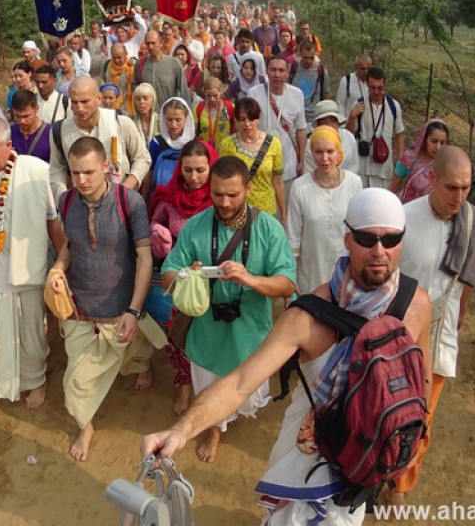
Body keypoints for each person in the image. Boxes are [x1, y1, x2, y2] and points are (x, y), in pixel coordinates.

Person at [144, 188, 431, 525]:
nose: (379, 251)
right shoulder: (307, 318)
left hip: (368, 455)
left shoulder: (417, 305)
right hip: (309, 458)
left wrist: (405, 436)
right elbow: (239, 383)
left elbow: (420, 379)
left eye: (391, 239)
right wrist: (180, 431)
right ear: (347, 240)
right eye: (367, 239)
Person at [159, 156, 297, 462]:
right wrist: (187, 276)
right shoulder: (196, 226)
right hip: (207, 334)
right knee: (208, 388)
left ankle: (224, 419)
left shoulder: (269, 229)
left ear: (248, 188)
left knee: (247, 395)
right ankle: (213, 431)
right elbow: (168, 273)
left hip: (250, 334)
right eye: (217, 194)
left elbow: (287, 284)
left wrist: (250, 279)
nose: (224, 202)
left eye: (232, 195)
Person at [391, 146, 475, 507]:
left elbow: (467, 282)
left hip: (439, 336)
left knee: (421, 418)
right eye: (452, 187)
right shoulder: (403, 218)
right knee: (385, 407)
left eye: (466, 188)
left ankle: (400, 486)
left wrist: (459, 317)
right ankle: (372, 470)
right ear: (432, 179)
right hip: (397, 334)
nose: (460, 197)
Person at [49, 136, 154, 461]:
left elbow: (145, 258)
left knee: (134, 350)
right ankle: (86, 425)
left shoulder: (130, 202)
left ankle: (143, 365)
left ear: (106, 167)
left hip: (121, 307)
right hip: (79, 306)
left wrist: (133, 310)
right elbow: (70, 244)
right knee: (76, 382)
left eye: (89, 172)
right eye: (75, 173)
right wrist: (58, 269)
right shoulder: (66, 201)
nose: (82, 180)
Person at [0, 118, 63, 407]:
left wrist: (62, 263)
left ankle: (37, 380)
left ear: (8, 145)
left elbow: (52, 220)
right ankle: (6, 375)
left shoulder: (35, 170)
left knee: (31, 330)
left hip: (28, 265)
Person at [149, 140, 218, 414]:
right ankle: (184, 385)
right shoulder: (170, 196)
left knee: (210, 335)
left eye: (201, 170)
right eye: (188, 170)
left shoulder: (220, 197)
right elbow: (156, 221)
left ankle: (211, 390)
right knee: (178, 334)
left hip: (213, 278)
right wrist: (159, 234)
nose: (194, 177)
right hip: (179, 278)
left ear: (212, 168)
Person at [287, 127, 364, 295]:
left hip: (346, 274)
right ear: (311, 153)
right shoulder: (299, 188)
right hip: (310, 274)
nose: (324, 158)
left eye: (330, 151)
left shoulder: (354, 183)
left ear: (339, 152)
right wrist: (290, 279)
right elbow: (293, 237)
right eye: (318, 152)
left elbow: (358, 230)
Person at [49, 77, 151, 198]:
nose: (80, 108)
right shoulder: (60, 130)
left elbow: (142, 158)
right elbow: (56, 170)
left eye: (85, 101)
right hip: (81, 202)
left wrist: (125, 190)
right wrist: (65, 199)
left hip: (119, 200)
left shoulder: (121, 123)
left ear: (99, 98)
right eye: (75, 102)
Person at [219, 97, 286, 225]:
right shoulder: (227, 144)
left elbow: (278, 182)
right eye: (242, 119)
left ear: (258, 119)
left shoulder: (274, 144)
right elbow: (222, 181)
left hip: (267, 210)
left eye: (251, 119)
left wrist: (283, 214)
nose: (247, 124)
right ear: (236, 120)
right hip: (237, 210)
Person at [250, 56, 307, 198]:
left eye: (281, 70)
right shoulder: (254, 93)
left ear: (287, 73)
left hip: (288, 163)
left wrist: (301, 160)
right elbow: (247, 126)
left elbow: (301, 129)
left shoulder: (296, 94)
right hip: (260, 162)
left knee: (285, 205)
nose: (277, 75)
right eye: (273, 70)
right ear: (266, 71)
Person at [346, 67, 405, 189]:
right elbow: (349, 134)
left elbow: (399, 133)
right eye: (372, 87)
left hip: (384, 166)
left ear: (384, 85)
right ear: (367, 85)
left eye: (380, 87)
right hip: (362, 166)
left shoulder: (393, 106)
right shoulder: (360, 104)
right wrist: (352, 116)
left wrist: (401, 160)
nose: (376, 91)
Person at [144, 97, 196, 203]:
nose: (173, 124)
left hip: (186, 199)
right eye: (169, 119)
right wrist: (144, 199)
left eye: (178, 120)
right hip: (160, 198)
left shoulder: (194, 144)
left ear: (186, 118)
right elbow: (149, 174)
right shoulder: (157, 143)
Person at [390, 118, 450, 203]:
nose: (438, 147)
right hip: (406, 207)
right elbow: (392, 188)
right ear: (425, 139)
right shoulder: (409, 158)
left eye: (442, 143)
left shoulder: (444, 166)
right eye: (434, 141)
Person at [136, 30, 190, 106]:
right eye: (147, 43)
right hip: (147, 111)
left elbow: (184, 92)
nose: (150, 47)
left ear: (161, 43)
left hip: (168, 111)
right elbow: (135, 87)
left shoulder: (174, 63)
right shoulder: (140, 64)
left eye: (153, 43)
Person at [303, 100, 359, 175]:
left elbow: (354, 166)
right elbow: (310, 172)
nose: (329, 124)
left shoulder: (348, 137)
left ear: (338, 121)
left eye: (332, 120)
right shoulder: (311, 143)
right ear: (318, 124)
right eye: (323, 121)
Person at [288, 41, 330, 125]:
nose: (308, 61)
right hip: (294, 118)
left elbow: (326, 94)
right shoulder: (291, 69)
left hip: (314, 118)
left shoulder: (321, 71)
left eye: (311, 57)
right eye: (305, 57)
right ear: (300, 54)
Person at [10, 89, 51, 162]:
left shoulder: (51, 134)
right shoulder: (9, 132)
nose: (22, 121)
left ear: (37, 109)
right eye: (18, 116)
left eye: (26, 116)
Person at [196, 77, 235, 150]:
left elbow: (236, 130)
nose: (212, 99)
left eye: (215, 95)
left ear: (221, 92)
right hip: (204, 149)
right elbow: (193, 133)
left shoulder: (230, 107)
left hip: (225, 149)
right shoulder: (198, 108)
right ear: (204, 93)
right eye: (208, 96)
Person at [102, 42, 137, 115]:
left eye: (119, 57)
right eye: (114, 57)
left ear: (125, 54)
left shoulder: (132, 66)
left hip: (129, 108)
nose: (117, 60)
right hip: (112, 109)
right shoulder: (107, 66)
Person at [227, 28, 265, 94]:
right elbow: (230, 77)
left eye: (247, 42)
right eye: (242, 41)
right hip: (238, 91)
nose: (245, 44)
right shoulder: (231, 58)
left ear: (251, 42)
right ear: (238, 41)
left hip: (256, 91)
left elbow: (262, 75)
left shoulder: (258, 57)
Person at [130, 83, 159, 149]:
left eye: (145, 98)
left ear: (152, 100)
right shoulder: (131, 121)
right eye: (138, 99)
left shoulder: (160, 120)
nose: (141, 102)